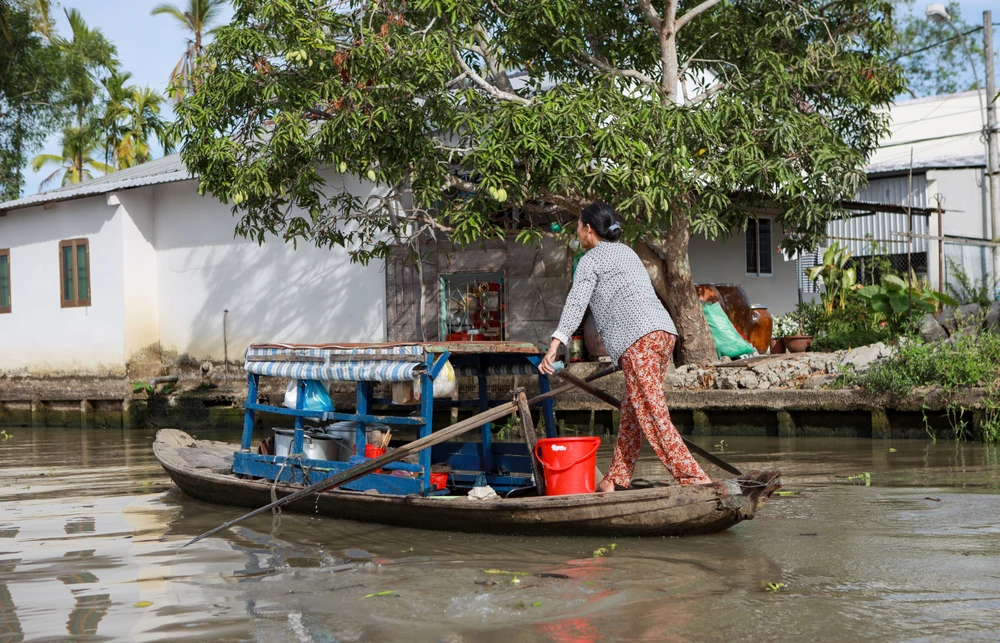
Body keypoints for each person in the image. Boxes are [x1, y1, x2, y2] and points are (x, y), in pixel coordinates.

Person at [538, 202, 712, 492]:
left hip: (639, 340)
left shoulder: (591, 260)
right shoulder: (627, 252)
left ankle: (693, 478)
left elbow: (576, 304)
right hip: (662, 334)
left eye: (578, 227)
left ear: (588, 229)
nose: (577, 233)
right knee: (634, 410)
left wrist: (555, 345)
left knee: (651, 411)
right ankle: (615, 479)